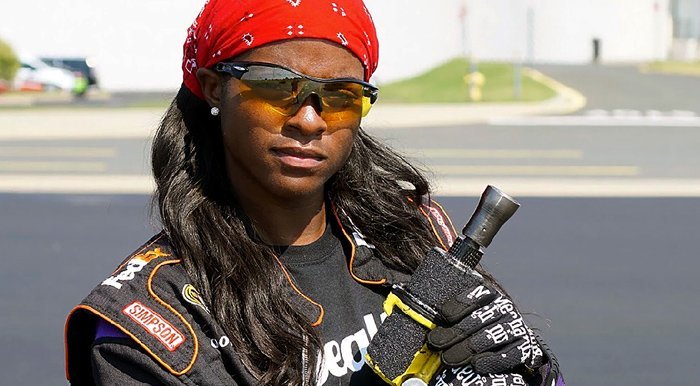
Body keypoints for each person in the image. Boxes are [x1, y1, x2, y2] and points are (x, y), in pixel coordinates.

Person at [65, 1, 564, 385]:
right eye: (276, 86)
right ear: (215, 88)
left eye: (341, 96)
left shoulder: (414, 236)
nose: (308, 119)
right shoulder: (150, 322)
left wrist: (532, 371)